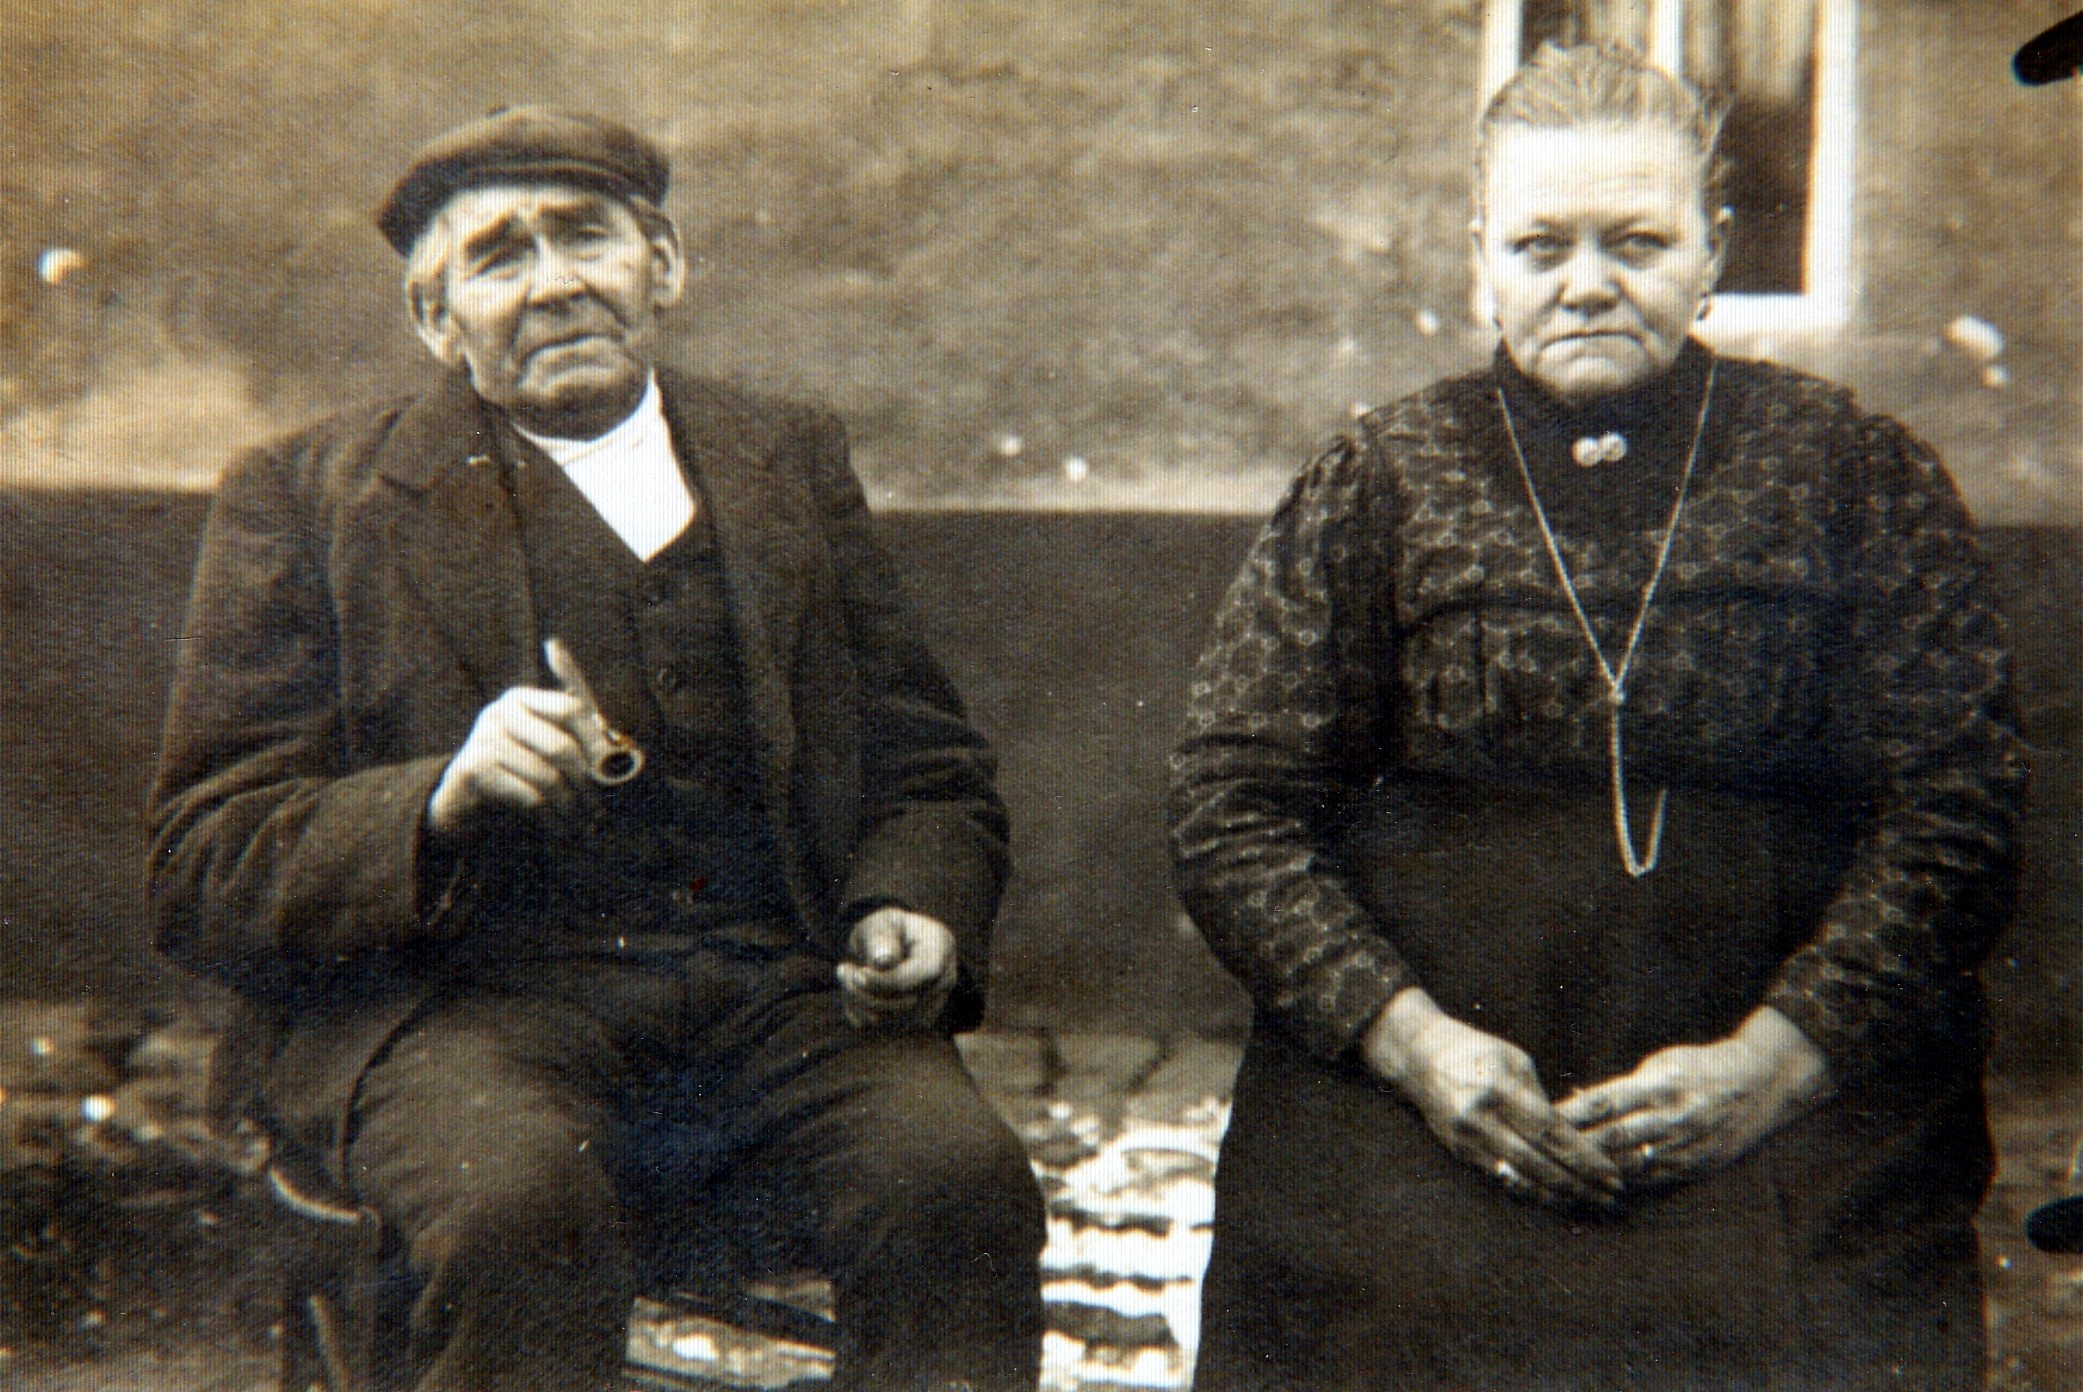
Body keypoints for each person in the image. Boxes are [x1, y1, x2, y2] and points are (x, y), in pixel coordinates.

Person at [147, 106, 1045, 1392]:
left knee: (959, 1185)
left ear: (660, 265)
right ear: (435, 318)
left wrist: (915, 903)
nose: (555, 282)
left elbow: (926, 761)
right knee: (520, 1213)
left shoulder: (786, 460)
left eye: (585, 237)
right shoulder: (306, 495)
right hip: (455, 1010)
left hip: (770, 997)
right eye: (498, 257)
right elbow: (200, 861)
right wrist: (436, 798)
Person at [1169, 44, 2024, 1392]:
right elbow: (1229, 805)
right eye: (1539, 244)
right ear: (1481, 259)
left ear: (1711, 250)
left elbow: (1958, 806)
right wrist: (1413, 1045)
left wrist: (1775, 1064)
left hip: (1784, 1096)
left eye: (1636, 241)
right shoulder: (1375, 479)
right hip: (1435, 1089)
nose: (1584, 283)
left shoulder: (1852, 470)